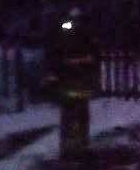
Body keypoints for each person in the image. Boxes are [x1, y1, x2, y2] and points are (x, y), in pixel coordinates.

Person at [41, 9, 99, 156]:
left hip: (77, 81)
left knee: (77, 112)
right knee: (72, 112)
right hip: (71, 81)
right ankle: (73, 141)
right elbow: (56, 54)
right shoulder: (71, 34)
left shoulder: (84, 35)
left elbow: (93, 57)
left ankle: (77, 141)